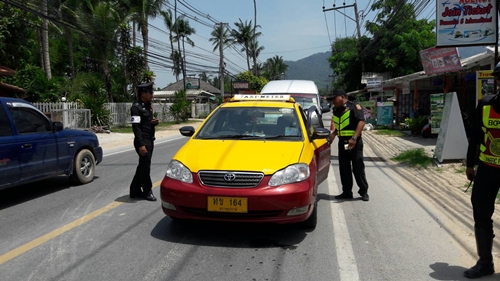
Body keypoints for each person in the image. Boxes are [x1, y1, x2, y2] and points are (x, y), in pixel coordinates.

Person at [463, 62, 500, 278]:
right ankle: (485, 262)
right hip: (487, 169)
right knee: (481, 212)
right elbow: (475, 137)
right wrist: (469, 164)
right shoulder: (485, 104)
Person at [328, 92, 369, 201]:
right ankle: (347, 192)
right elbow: (341, 125)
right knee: (344, 168)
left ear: (341, 97)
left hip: (354, 143)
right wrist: (333, 134)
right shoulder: (336, 110)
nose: (332, 101)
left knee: (358, 167)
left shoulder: (354, 107)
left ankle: (363, 191)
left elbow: (361, 122)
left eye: (334, 98)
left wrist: (354, 138)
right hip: (343, 143)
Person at [129, 82, 159, 201]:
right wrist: (141, 144)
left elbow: (146, 122)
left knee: (143, 166)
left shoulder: (147, 106)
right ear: (143, 93)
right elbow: (135, 127)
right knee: (145, 167)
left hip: (149, 140)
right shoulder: (136, 107)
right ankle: (147, 191)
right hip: (142, 141)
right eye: (150, 92)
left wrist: (154, 122)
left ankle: (134, 190)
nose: (152, 95)